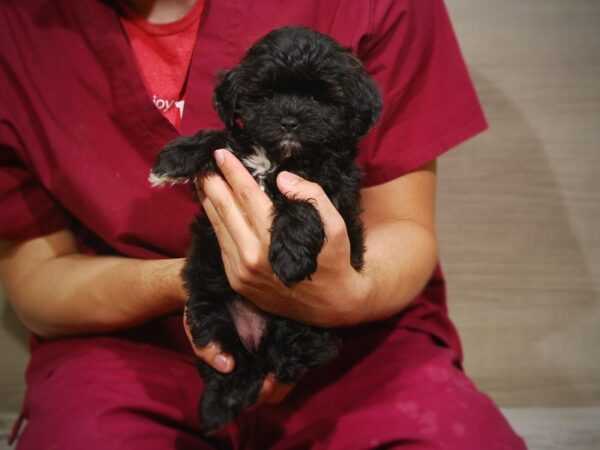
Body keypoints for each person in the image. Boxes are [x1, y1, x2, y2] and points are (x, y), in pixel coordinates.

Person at [0, 0, 526, 448]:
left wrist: (343, 293)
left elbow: (404, 230)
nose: (292, 116)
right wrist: (200, 281)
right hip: (127, 345)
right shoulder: (15, 29)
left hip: (358, 342)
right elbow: (37, 283)